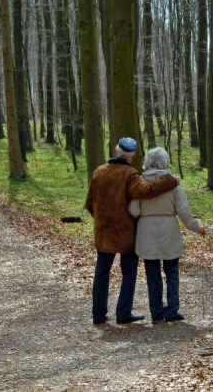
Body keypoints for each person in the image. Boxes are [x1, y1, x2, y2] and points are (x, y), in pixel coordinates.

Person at [85, 137, 179, 325]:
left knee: (101, 272)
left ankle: (98, 314)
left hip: (103, 233)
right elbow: (144, 191)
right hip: (126, 234)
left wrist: (102, 221)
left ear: (116, 150)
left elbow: (89, 203)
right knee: (128, 272)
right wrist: (169, 181)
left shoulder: (99, 172)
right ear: (132, 156)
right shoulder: (130, 174)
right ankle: (123, 313)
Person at [129, 147, 205, 323]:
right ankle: (172, 310)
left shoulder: (141, 183)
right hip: (169, 230)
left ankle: (156, 311)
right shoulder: (173, 183)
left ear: (147, 162)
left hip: (147, 231)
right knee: (172, 272)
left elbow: (133, 210)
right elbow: (183, 211)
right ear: (164, 162)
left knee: (152, 273)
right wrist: (196, 227)